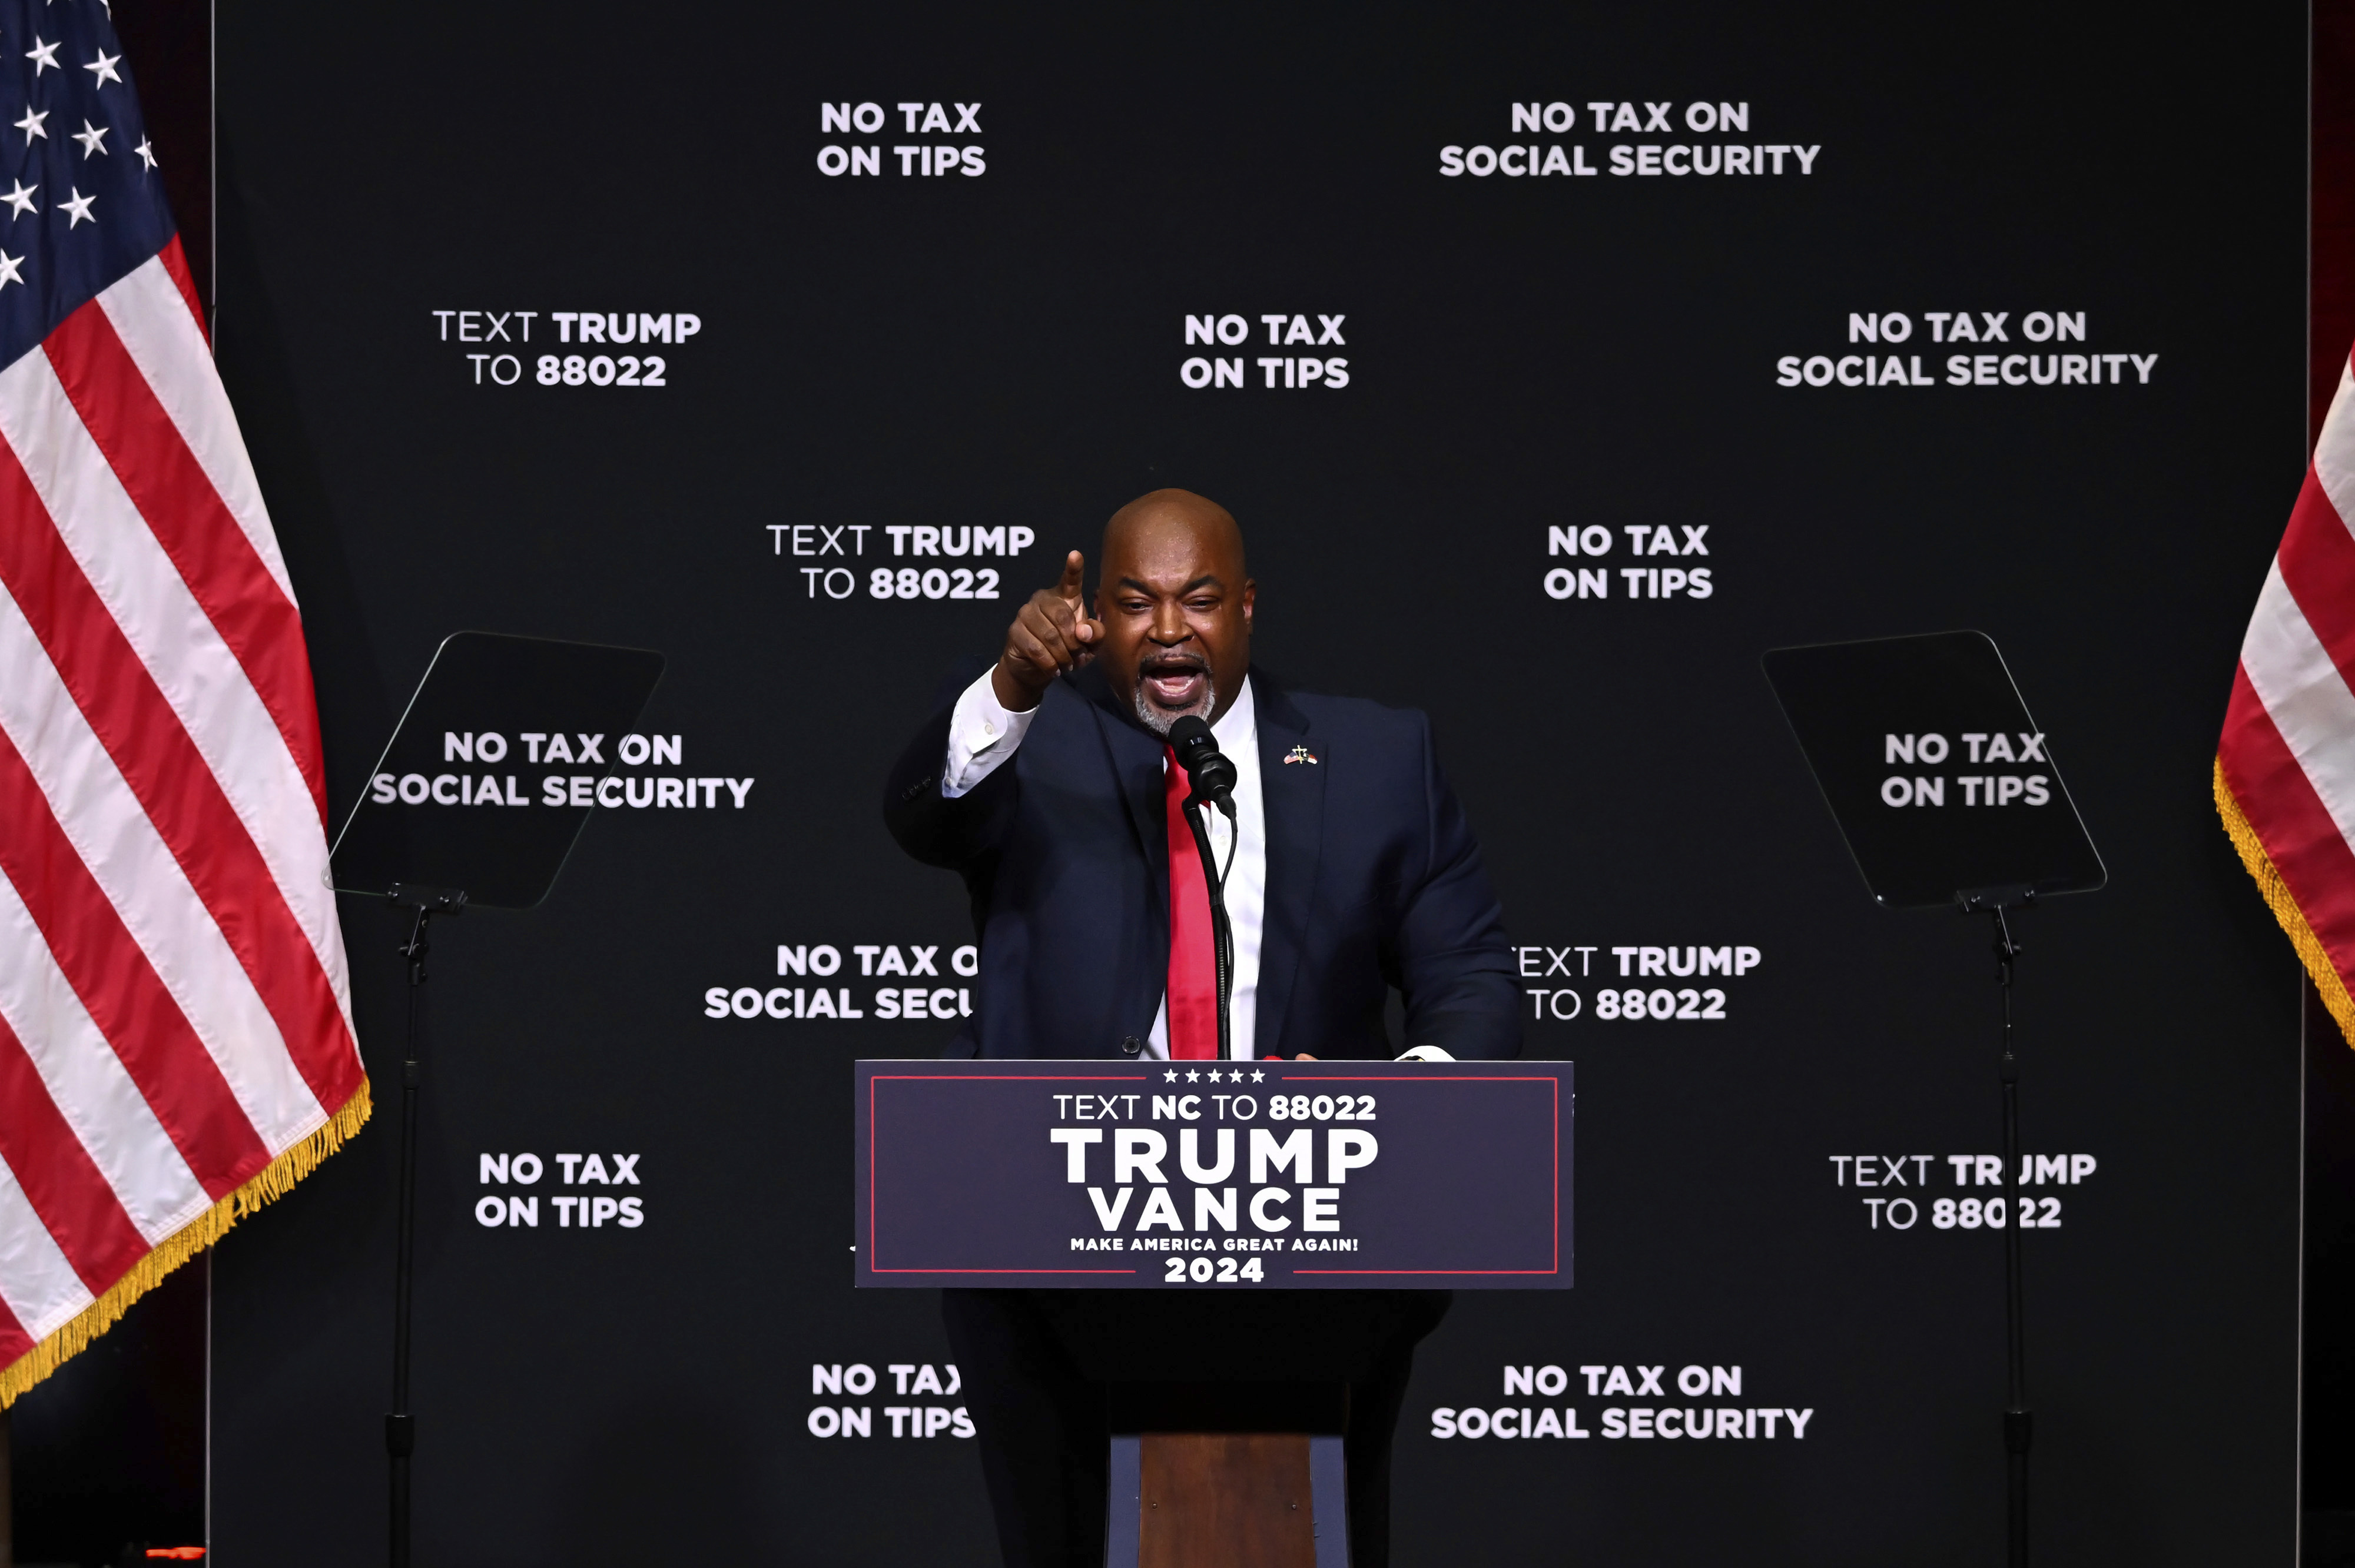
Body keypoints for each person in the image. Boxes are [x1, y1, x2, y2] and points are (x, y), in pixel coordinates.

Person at [882, 489, 1520, 1567]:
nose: (1170, 629)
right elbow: (925, 816)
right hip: (1052, 1244)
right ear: (1099, 622)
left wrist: (1404, 1103)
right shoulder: (1036, 740)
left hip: (1315, 1235)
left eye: (1200, 600)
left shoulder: (1376, 760)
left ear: (1249, 608)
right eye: (1135, 602)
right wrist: (1013, 685)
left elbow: (1471, 974)